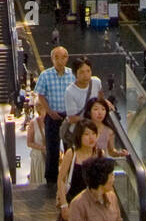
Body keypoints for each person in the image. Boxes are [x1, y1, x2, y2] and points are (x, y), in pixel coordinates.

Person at [33, 45, 74, 186]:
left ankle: (71, 178)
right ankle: (51, 182)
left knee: (70, 148)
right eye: (56, 57)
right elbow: (41, 95)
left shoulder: (72, 74)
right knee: (52, 149)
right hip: (52, 117)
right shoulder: (45, 75)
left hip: (68, 118)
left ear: (67, 59)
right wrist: (49, 111)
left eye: (63, 57)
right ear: (52, 59)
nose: (59, 60)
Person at [57, 120, 100, 221]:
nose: (91, 138)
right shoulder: (71, 153)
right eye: (86, 134)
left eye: (94, 134)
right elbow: (61, 179)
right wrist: (64, 205)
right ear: (79, 136)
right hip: (73, 204)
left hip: (94, 206)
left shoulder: (99, 153)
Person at [63, 56, 102, 138]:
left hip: (93, 131)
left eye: (88, 71)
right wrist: (90, 120)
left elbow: (100, 100)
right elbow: (72, 118)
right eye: (82, 72)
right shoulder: (70, 91)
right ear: (75, 73)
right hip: (77, 133)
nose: (86, 75)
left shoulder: (96, 82)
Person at [26, 106, 46, 187]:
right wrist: (43, 148)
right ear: (39, 109)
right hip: (38, 157)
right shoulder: (33, 123)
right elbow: (29, 143)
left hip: (50, 157)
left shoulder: (52, 122)